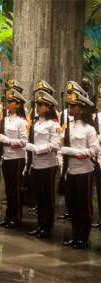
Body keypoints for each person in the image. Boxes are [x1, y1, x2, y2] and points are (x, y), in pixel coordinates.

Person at [60, 81, 99, 249]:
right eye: (70, 105)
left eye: (74, 106)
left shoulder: (89, 129)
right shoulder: (69, 127)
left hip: (84, 171)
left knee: (84, 206)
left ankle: (84, 236)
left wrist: (76, 153)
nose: (71, 108)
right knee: (72, 205)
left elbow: (95, 150)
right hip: (71, 171)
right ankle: (74, 234)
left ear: (81, 109)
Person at [26, 81, 61, 239]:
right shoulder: (36, 122)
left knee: (47, 197)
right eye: (37, 104)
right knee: (39, 197)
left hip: (48, 164)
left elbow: (55, 145)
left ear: (48, 107)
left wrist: (38, 149)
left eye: (41, 105)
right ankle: (39, 225)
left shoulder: (53, 124)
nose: (38, 107)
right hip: (37, 164)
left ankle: (47, 226)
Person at [0, 88, 28, 228]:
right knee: (8, 190)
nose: (8, 104)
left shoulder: (22, 122)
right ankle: (9, 217)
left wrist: (8, 141)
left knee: (15, 190)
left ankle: (16, 217)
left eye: (11, 102)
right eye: (8, 101)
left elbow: (24, 141)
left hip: (17, 158)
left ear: (18, 105)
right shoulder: (5, 120)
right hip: (6, 158)